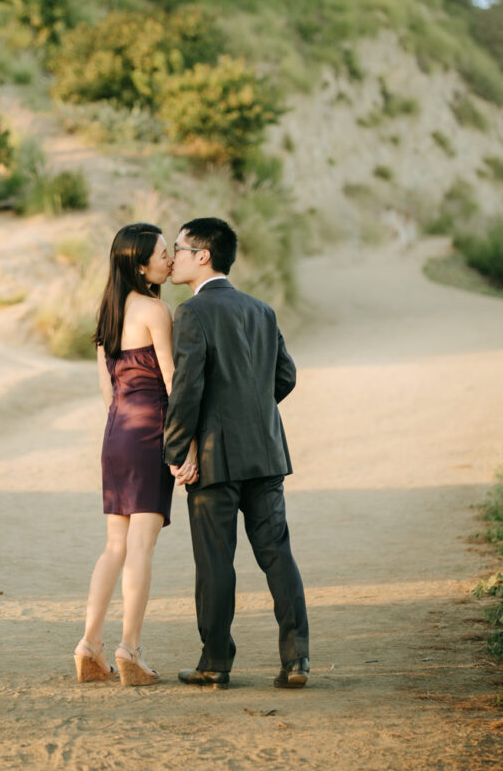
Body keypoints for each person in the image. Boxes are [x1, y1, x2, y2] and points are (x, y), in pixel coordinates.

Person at [164, 217, 309, 689]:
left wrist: (174, 448)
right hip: (265, 453)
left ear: (203, 255)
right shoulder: (261, 309)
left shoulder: (192, 313)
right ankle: (297, 661)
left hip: (213, 458)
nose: (175, 257)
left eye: (181, 248)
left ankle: (215, 662)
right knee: (277, 554)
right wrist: (253, 414)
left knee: (215, 561)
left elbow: (187, 389)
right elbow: (284, 377)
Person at [74, 223, 198, 686]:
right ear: (140, 265)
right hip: (151, 431)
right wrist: (181, 444)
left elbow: (106, 391)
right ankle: (131, 648)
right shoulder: (155, 309)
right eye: (163, 254)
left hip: (116, 434)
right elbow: (171, 379)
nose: (170, 260)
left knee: (115, 545)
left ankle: (90, 644)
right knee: (142, 546)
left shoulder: (108, 313)